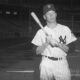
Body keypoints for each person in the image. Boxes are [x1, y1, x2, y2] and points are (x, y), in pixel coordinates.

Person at [31, 3, 77, 80]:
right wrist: (46, 43)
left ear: (56, 14)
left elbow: (72, 49)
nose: (51, 15)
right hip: (46, 63)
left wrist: (58, 44)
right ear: (44, 17)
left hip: (61, 63)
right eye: (48, 14)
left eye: (53, 13)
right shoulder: (40, 32)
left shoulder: (65, 29)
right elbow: (35, 51)